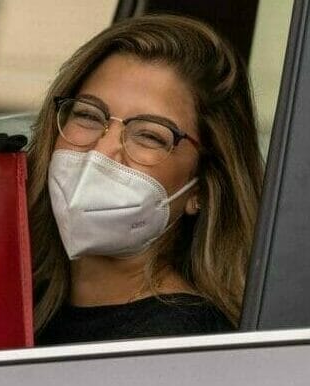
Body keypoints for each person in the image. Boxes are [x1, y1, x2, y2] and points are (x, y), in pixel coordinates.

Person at [27, 15, 265, 344]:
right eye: (87, 115)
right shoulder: (26, 305)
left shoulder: (179, 344)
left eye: (149, 137)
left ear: (204, 187)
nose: (103, 149)